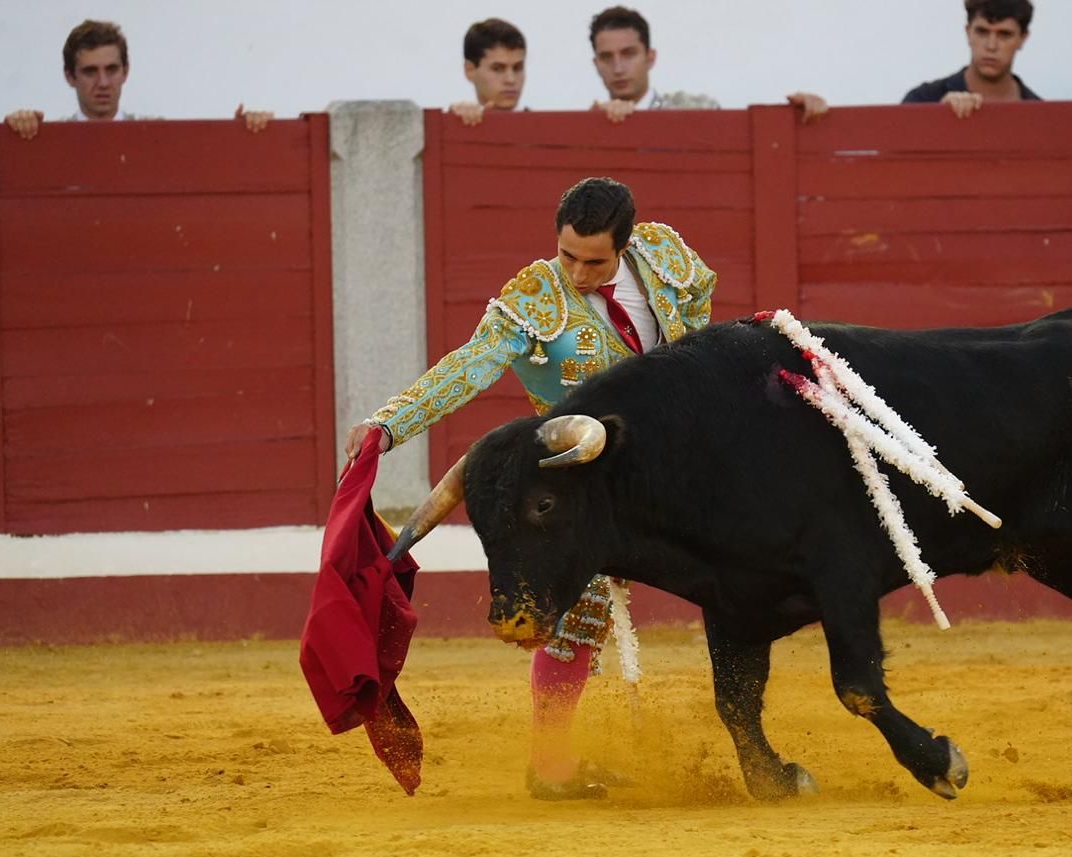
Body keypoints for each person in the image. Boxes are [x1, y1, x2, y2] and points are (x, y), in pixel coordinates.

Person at [342, 177, 716, 800]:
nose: (576, 272)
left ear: (624, 245)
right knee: (583, 608)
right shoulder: (535, 297)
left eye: (594, 261)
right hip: (577, 477)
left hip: (666, 465)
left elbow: (701, 311)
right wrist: (389, 424)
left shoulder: (665, 257)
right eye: (566, 254)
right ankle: (549, 763)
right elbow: (469, 365)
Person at [5, 20, 271, 140]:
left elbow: (213, 168)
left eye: (111, 69)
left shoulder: (157, 134)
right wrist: (16, 131)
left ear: (126, 72)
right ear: (69, 76)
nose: (103, 82)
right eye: (90, 71)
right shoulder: (49, 138)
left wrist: (245, 135)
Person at [586, 6, 828, 124]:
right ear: (596, 65)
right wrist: (596, 127)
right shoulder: (587, 123)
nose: (618, 68)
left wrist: (796, 118)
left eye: (628, 54)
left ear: (651, 57)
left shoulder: (698, 109)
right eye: (607, 57)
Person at [903, 0, 1040, 120]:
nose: (991, 46)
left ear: (1023, 38)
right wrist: (939, 117)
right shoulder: (923, 100)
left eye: (1004, 34)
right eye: (982, 32)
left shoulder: (1041, 114)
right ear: (968, 33)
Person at [451, 18, 526, 127]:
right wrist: (452, 121)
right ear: (470, 70)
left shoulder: (544, 128)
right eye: (498, 69)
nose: (511, 79)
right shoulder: (455, 124)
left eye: (517, 68)